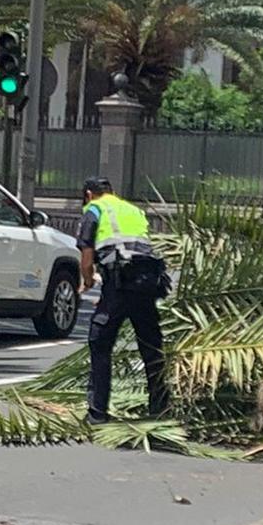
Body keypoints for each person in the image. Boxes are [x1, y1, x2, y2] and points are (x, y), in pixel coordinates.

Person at [78, 177, 170, 424]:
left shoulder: (94, 210)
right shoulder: (132, 210)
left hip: (120, 284)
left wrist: (87, 282)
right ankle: (160, 410)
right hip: (148, 282)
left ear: (88, 194)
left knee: (99, 341)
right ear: (112, 191)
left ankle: (97, 413)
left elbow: (87, 259)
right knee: (151, 347)